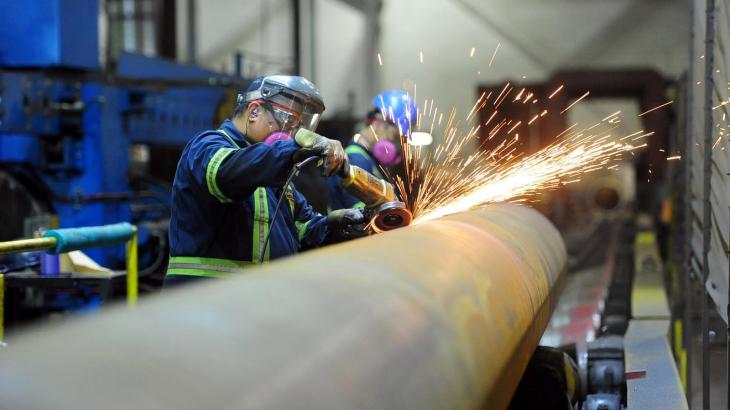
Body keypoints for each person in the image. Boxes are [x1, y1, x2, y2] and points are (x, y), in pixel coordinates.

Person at [164, 75, 364, 287]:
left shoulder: (274, 173)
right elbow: (228, 172)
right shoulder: (206, 147)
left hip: (253, 300)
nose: (291, 134)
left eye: (297, 126)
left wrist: (341, 224)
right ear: (254, 112)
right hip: (201, 301)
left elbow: (305, 230)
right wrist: (293, 150)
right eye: (287, 122)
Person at [326, 89, 417, 210]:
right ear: (377, 123)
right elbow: (362, 218)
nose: (395, 146)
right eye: (395, 137)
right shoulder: (355, 161)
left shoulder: (368, 159)